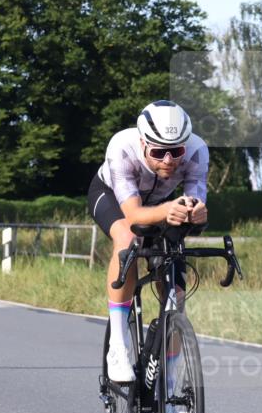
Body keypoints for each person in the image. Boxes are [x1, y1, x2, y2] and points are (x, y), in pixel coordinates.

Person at [88, 100, 209, 383]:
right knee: (128, 239)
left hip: (161, 203)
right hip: (113, 197)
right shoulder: (122, 146)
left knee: (177, 295)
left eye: (176, 151)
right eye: (159, 152)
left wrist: (198, 212)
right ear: (143, 143)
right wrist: (168, 211)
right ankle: (118, 347)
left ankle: (167, 386)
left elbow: (195, 200)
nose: (169, 160)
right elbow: (132, 215)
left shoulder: (197, 151)